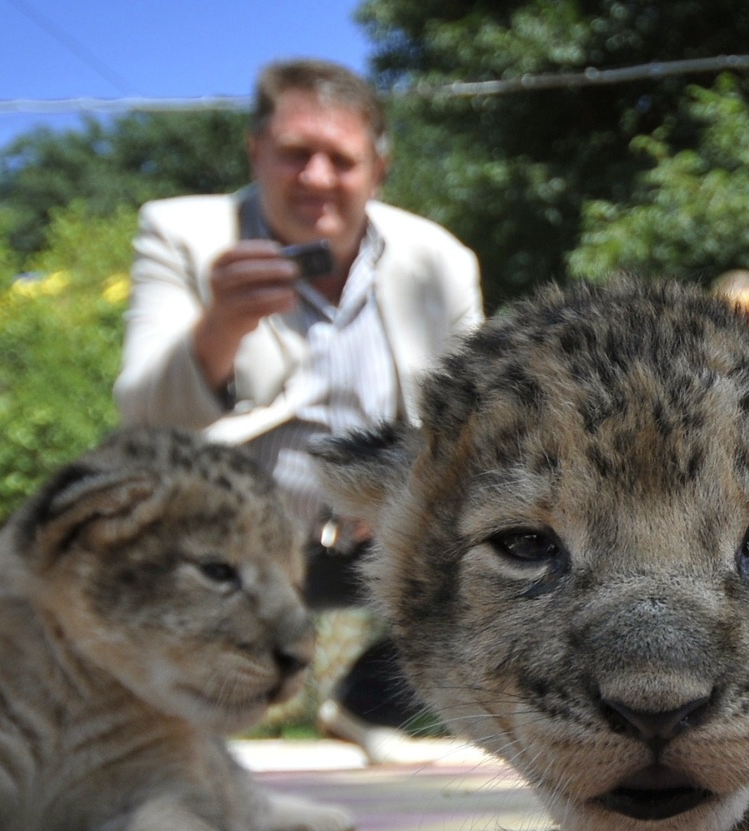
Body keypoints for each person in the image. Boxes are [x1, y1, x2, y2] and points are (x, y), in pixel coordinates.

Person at [115, 58, 483, 764]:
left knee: (512, 530)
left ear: (379, 169)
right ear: (256, 153)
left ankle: (372, 703)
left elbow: (472, 417)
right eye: (294, 154)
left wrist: (414, 482)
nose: (315, 177)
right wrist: (220, 324)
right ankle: (153, 736)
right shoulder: (183, 232)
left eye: (340, 160)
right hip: (226, 524)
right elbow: (141, 410)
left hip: (384, 524)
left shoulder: (439, 258)